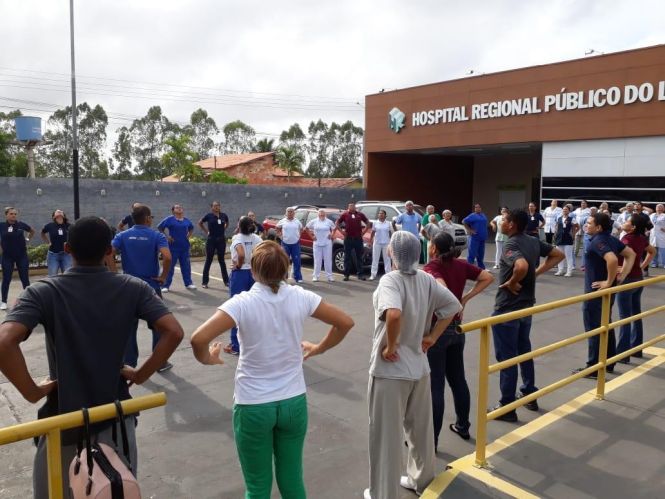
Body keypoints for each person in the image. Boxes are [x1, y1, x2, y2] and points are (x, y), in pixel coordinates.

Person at [0, 216, 184, 498]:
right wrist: (140, 374)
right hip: (115, 417)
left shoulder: (43, 291)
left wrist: (32, 391)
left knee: (58, 490)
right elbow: (173, 331)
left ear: (69, 249)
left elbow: (5, 342)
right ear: (110, 251)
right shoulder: (133, 288)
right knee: (113, 489)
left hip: (62, 421)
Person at [191, 240, 353, 499]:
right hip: (293, 402)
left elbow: (198, 338)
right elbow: (345, 322)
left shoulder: (242, 302)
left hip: (253, 404)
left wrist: (209, 359)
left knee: (257, 487)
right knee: (292, 481)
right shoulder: (301, 296)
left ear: (253, 271)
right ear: (287, 268)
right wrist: (318, 348)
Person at [365, 231, 461, 499]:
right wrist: (431, 337)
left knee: (385, 435)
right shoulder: (426, 279)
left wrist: (391, 345)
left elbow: (393, 314)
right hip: (419, 366)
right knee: (420, 430)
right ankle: (422, 480)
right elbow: (452, 306)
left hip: (390, 371)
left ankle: (384, 492)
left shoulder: (390, 281)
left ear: (391, 253)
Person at [491, 209, 563, 421]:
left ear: (511, 224)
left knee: (507, 358)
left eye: (504, 219)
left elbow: (521, 265)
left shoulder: (510, 245)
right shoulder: (532, 240)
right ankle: (529, 393)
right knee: (524, 350)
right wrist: (536, 273)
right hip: (526, 306)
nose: (501, 222)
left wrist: (513, 282)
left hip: (507, 308)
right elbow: (558, 254)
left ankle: (507, 406)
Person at [424, 232, 493, 445]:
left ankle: (431, 440)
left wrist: (452, 302)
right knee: (457, 380)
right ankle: (463, 426)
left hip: (438, 330)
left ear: (434, 248)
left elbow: (441, 287)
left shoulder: (432, 268)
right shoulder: (460, 265)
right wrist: (464, 299)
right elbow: (488, 277)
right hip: (456, 330)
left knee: (435, 386)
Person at [110, 204, 175, 372]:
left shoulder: (123, 235)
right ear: (147, 218)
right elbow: (167, 257)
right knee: (159, 325)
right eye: (151, 217)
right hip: (150, 286)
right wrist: (163, 277)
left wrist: (114, 274)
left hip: (127, 286)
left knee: (129, 327)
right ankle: (159, 362)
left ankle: (129, 364)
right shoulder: (156, 236)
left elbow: (108, 252)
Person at [572, 212, 635, 378]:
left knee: (594, 328)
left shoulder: (598, 240)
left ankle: (593, 367)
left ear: (598, 227)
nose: (586, 225)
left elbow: (613, 260)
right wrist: (620, 277)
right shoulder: (611, 238)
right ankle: (608, 363)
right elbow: (631, 254)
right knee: (605, 325)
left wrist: (609, 280)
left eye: (590, 223)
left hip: (596, 293)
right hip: (607, 293)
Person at [616, 214, 655, 361]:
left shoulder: (626, 239)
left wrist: (623, 270)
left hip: (627, 280)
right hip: (638, 278)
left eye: (627, 221)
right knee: (636, 314)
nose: (624, 222)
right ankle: (637, 348)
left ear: (632, 227)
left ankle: (623, 354)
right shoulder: (641, 238)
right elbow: (652, 252)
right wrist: (641, 266)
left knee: (624, 317)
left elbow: (625, 257)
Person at [224, 216, 264, 355]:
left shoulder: (238, 238)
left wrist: (239, 265)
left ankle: (236, 345)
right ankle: (255, 342)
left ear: (239, 225)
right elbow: (264, 252)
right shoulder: (257, 238)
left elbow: (240, 254)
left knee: (237, 308)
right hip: (254, 274)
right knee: (255, 308)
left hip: (240, 274)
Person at [0, 207, 34, 311]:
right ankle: (4, 301)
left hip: (21, 256)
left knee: (24, 278)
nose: (13, 215)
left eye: (15, 214)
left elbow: (32, 231)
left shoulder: (21, 225)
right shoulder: (1, 225)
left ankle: (29, 300)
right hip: (7, 257)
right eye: (11, 214)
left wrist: (27, 238)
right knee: (6, 279)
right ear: (6, 215)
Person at [158, 204, 196, 292]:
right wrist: (167, 237)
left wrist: (188, 235)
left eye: (180, 207)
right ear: (173, 210)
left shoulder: (186, 220)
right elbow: (160, 227)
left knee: (186, 266)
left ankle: (188, 283)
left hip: (184, 247)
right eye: (177, 207)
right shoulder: (169, 219)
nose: (179, 208)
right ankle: (165, 285)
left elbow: (191, 228)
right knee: (169, 266)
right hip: (173, 247)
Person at [198, 201, 230, 288]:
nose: (217, 207)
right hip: (211, 240)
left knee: (222, 261)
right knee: (208, 260)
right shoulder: (208, 216)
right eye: (215, 206)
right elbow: (200, 222)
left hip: (221, 240)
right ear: (212, 207)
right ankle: (204, 282)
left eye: (218, 206)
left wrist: (223, 229)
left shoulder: (224, 215)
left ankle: (226, 281)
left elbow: (227, 223)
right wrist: (206, 231)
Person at [337, 202, 371, 281]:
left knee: (359, 257)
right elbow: (337, 223)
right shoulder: (345, 214)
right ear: (348, 207)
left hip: (358, 239)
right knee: (347, 257)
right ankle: (346, 275)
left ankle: (360, 274)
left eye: (353, 206)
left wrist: (364, 231)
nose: (351, 207)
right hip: (348, 239)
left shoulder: (360, 214)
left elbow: (367, 223)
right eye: (350, 206)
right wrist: (342, 232)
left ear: (355, 207)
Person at [306, 209, 336, 282]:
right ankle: (316, 276)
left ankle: (329, 276)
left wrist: (331, 235)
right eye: (320, 215)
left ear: (325, 215)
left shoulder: (329, 221)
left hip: (327, 243)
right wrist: (312, 237)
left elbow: (334, 228)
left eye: (323, 215)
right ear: (318, 215)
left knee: (328, 260)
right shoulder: (313, 221)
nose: (321, 216)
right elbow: (306, 228)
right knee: (317, 260)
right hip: (317, 243)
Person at [276, 207, 304, 283]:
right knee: (285, 261)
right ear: (286, 213)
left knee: (297, 261)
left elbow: (301, 229)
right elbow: (277, 228)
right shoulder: (282, 221)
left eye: (292, 211)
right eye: (289, 211)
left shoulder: (297, 221)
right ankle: (284, 277)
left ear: (294, 213)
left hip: (295, 244)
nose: (290, 213)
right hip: (285, 244)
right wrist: (280, 236)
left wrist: (299, 236)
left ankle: (298, 277)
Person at [41, 209, 72, 277]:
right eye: (57, 212)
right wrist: (48, 242)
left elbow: (74, 236)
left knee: (68, 276)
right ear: (53, 217)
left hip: (66, 254)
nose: (59, 212)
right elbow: (42, 233)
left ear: (64, 215)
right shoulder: (49, 226)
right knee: (52, 276)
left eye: (61, 211)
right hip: (53, 254)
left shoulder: (69, 226)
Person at [553, 205, 578, 277]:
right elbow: (557, 227)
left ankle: (569, 271)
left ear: (569, 211)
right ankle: (560, 270)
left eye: (566, 210)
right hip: (559, 238)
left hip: (568, 238)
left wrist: (573, 234)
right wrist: (555, 234)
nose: (564, 211)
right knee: (559, 255)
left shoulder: (572, 219)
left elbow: (577, 226)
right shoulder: (559, 218)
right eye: (563, 209)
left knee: (568, 256)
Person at [462, 203, 488, 269]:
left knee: (481, 254)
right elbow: (464, 221)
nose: (478, 208)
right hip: (474, 238)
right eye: (476, 207)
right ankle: (469, 268)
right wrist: (470, 230)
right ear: (474, 209)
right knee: (472, 254)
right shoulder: (472, 215)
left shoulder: (483, 215)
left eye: (479, 207)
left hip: (482, 238)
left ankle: (481, 268)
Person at [650, 204, 665, 268]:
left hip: (662, 235)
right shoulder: (652, 215)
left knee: (662, 250)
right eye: (657, 207)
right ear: (655, 208)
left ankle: (664, 263)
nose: (659, 208)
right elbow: (649, 223)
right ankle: (654, 263)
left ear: (663, 209)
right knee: (653, 250)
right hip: (653, 235)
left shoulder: (664, 216)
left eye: (660, 207)